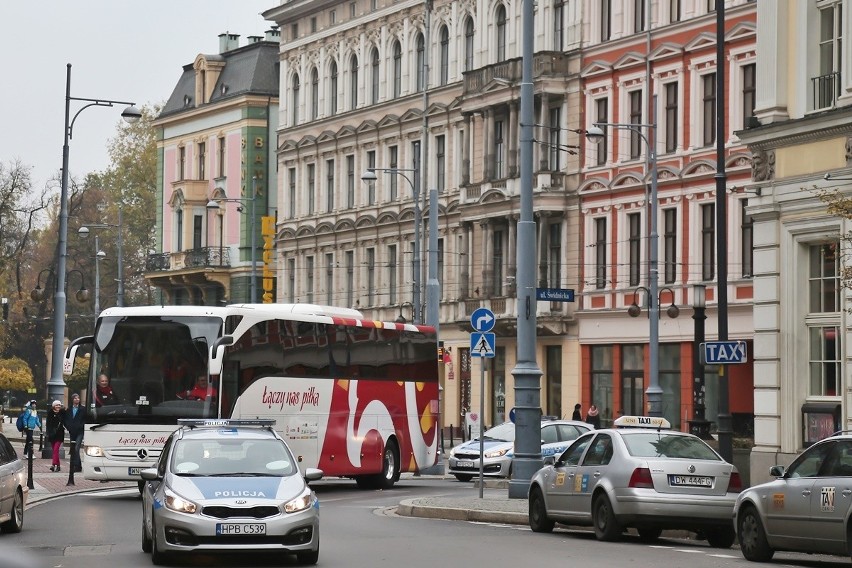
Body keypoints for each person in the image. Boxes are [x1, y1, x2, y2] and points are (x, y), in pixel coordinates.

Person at [64, 393, 85, 473]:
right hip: (72, 431)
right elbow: (66, 420)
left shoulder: (83, 409)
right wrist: (68, 427)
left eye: (78, 398)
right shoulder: (69, 409)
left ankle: (77, 466)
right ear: (72, 400)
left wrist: (81, 426)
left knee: (76, 448)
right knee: (73, 449)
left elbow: (85, 419)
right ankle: (77, 465)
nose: (77, 399)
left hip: (80, 431)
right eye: (75, 398)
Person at [46, 401, 66, 472]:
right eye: (57, 405)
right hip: (52, 434)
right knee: (55, 451)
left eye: (59, 405)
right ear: (53, 406)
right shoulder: (50, 413)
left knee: (56, 449)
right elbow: (48, 424)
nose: (58, 406)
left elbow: (65, 421)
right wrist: (49, 432)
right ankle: (58, 465)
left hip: (59, 434)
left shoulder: (62, 413)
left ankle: (53, 464)